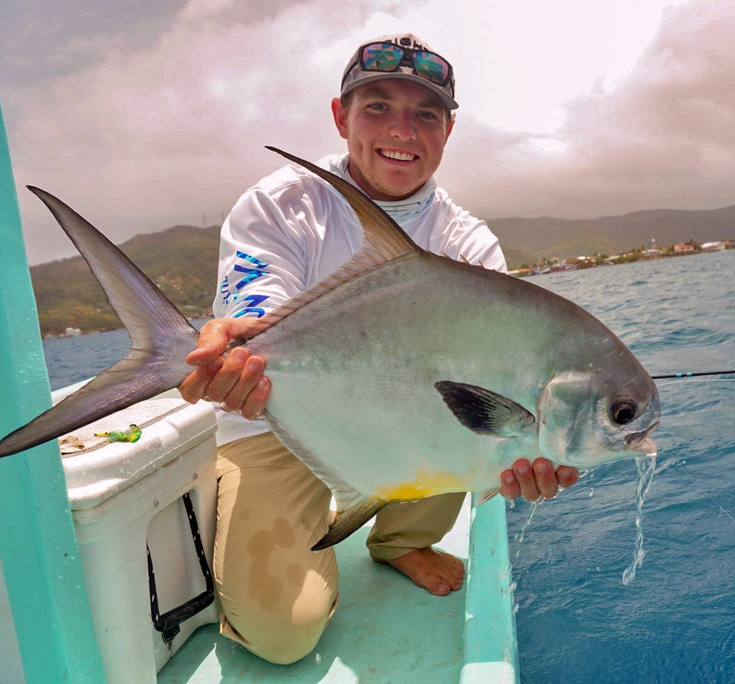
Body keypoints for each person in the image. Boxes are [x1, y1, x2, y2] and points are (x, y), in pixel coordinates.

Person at [177, 33, 579, 665]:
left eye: (426, 114)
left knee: (473, 432)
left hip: (404, 421)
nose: (402, 130)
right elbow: (254, 318)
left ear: (448, 130)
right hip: (274, 419)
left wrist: (525, 455)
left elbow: (496, 386)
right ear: (341, 117)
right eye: (377, 107)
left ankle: (398, 540)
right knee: (284, 636)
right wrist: (238, 360)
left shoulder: (468, 243)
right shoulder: (282, 205)